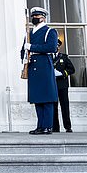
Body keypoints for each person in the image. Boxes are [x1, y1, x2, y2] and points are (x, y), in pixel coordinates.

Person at [21, 7, 58, 135]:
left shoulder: (50, 31)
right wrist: (24, 57)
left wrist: (32, 47)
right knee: (38, 98)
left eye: (37, 15)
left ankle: (47, 126)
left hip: (44, 66)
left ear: (43, 17)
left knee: (46, 98)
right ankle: (40, 126)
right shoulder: (29, 33)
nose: (34, 18)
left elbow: (51, 47)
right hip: (33, 66)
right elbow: (23, 50)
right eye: (33, 16)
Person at [53, 39, 75, 133]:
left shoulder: (64, 57)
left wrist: (62, 73)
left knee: (65, 106)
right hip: (52, 85)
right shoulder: (48, 57)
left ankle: (67, 126)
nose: (56, 47)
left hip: (62, 85)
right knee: (53, 107)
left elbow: (72, 69)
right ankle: (55, 127)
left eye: (57, 45)